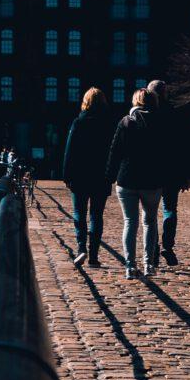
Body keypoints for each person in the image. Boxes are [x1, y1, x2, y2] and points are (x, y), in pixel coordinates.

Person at [106, 87, 168, 279]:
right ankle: (149, 265)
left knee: (130, 222)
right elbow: (167, 154)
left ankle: (130, 266)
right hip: (152, 180)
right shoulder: (160, 122)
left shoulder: (126, 122)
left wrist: (109, 177)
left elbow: (114, 152)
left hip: (127, 179)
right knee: (150, 222)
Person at [62, 87, 112, 269]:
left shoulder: (78, 123)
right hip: (101, 176)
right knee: (96, 216)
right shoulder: (108, 123)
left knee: (79, 214)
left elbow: (70, 150)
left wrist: (66, 175)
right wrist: (111, 174)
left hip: (80, 176)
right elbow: (112, 152)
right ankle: (94, 256)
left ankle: (81, 247)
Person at [147, 78, 190, 267]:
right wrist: (186, 174)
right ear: (165, 93)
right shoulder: (174, 114)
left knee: (150, 212)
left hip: (151, 171)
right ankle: (167, 245)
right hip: (172, 172)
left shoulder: (146, 115)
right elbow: (183, 147)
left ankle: (154, 248)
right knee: (170, 209)